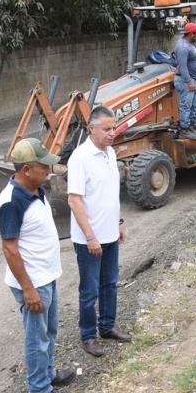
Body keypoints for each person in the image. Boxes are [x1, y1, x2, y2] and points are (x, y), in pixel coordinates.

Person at [0, 138, 76, 393]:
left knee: (49, 331)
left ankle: (48, 373)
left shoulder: (35, 189)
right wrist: (28, 289)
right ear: (27, 169)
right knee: (36, 336)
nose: (49, 170)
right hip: (33, 283)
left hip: (46, 276)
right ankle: (39, 389)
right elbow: (9, 249)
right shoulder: (11, 201)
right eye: (44, 166)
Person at [67, 107, 131, 358]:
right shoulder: (80, 158)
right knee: (90, 289)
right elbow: (74, 201)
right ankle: (88, 335)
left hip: (110, 234)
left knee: (110, 283)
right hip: (88, 240)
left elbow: (110, 193)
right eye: (106, 129)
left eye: (114, 128)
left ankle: (107, 326)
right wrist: (91, 237)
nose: (112, 133)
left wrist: (119, 221)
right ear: (90, 129)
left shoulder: (110, 153)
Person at [172, 22, 196, 140]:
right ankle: (184, 130)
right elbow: (182, 66)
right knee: (186, 105)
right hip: (185, 81)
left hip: (191, 81)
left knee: (195, 104)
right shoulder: (183, 47)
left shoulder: (188, 43)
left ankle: (190, 127)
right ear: (191, 34)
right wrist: (189, 81)